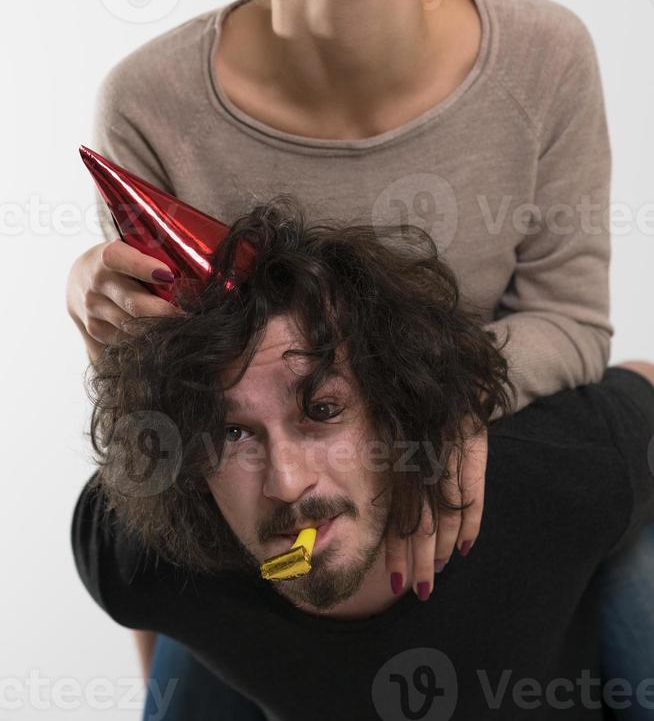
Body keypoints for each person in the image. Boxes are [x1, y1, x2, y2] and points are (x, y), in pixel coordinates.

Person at [65, 0, 654, 716]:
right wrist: (103, 308)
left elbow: (574, 326)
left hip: (494, 441)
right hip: (287, 505)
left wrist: (425, 412)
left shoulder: (549, 55)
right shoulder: (145, 102)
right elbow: (176, 415)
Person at [70, 196, 654, 721]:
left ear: (395, 404)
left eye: (322, 411)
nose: (289, 483)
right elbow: (142, 589)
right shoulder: (132, 556)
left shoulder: (556, 477)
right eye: (232, 434)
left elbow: (642, 388)